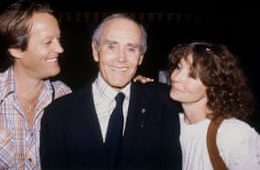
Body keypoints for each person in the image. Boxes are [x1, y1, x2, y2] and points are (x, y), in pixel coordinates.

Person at [40, 13, 182, 169]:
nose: (121, 58)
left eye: (131, 49)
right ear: (95, 50)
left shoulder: (163, 105)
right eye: (112, 46)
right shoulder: (58, 115)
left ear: (140, 57)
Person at [0, 0, 72, 169]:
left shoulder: (65, 95)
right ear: (15, 49)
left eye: (58, 39)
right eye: (48, 42)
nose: (60, 48)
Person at [168, 41, 260, 169]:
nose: (175, 77)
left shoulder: (233, 134)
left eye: (192, 75)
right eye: (178, 67)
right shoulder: (169, 123)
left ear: (212, 86)